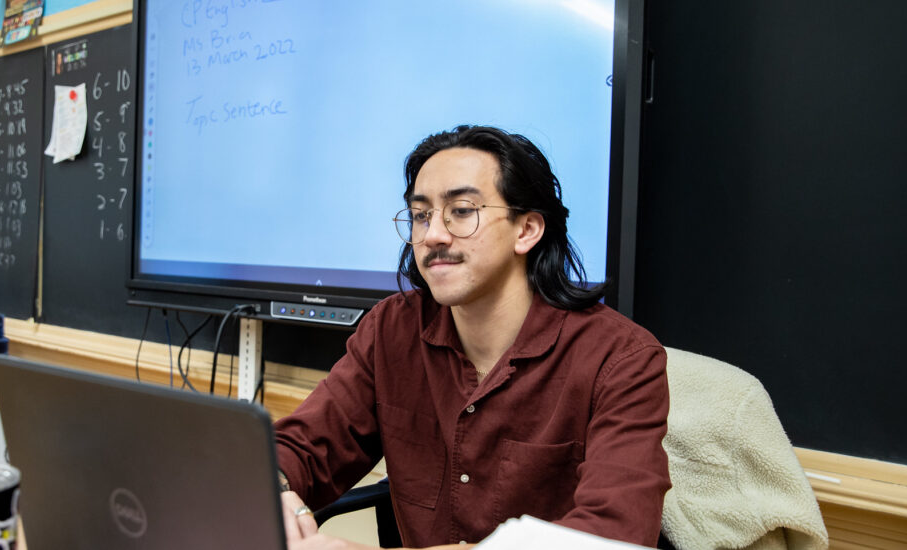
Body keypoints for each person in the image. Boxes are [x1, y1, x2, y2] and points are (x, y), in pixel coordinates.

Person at [274, 125, 671, 549]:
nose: (432, 235)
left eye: (461, 211)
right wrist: (274, 489)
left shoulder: (623, 358)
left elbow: (614, 535)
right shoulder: (390, 330)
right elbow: (304, 447)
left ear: (527, 230)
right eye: (421, 215)